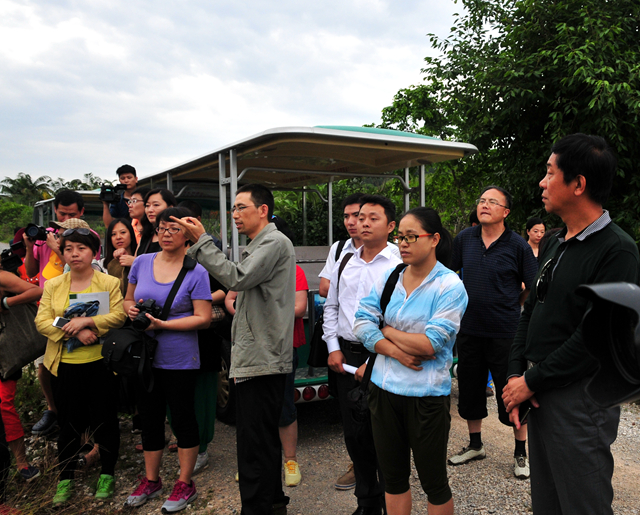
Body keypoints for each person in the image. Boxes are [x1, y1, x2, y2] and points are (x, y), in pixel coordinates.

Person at [502, 134, 640, 515]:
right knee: (547, 503)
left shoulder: (617, 249)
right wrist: (516, 374)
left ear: (578, 184)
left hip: (579, 400)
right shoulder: (554, 242)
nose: (542, 182)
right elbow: (531, 310)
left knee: (582, 504)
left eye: (550, 173)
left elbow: (593, 339)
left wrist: (531, 380)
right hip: (539, 390)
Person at [172, 184, 296, 515]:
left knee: (254, 444)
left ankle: (257, 508)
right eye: (234, 208)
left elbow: (237, 278)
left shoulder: (273, 242)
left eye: (241, 207)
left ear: (263, 210)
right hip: (260, 355)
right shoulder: (260, 244)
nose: (235, 214)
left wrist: (202, 241)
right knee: (261, 439)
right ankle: (273, 503)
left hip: (263, 358)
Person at [354, 207, 468, 515]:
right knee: (392, 479)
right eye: (400, 237)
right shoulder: (391, 277)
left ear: (434, 239)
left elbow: (431, 344)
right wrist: (395, 351)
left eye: (411, 237)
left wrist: (386, 330)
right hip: (383, 390)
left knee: (434, 482)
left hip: (426, 396)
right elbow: (362, 322)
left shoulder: (449, 285)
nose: (403, 243)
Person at [123, 207, 212, 513]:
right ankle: (152, 480)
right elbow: (127, 299)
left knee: (183, 418)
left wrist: (163, 325)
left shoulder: (196, 271)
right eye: (162, 228)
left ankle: (185, 483)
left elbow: (203, 318)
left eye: (174, 229)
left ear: (188, 234)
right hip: (144, 356)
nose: (166, 234)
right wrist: (130, 309)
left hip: (179, 357)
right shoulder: (142, 262)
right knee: (149, 419)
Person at [447, 185, 537, 479]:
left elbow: (532, 286)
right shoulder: (465, 239)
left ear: (505, 212)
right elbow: (447, 274)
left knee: (511, 391)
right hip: (469, 329)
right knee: (470, 388)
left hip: (505, 332)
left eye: (492, 202)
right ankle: (475, 445)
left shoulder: (518, 246)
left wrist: (514, 304)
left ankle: (520, 452)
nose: (484, 205)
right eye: (482, 200)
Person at [34, 225, 127, 506]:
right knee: (68, 423)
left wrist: (89, 321)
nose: (75, 254)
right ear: (62, 253)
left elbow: (119, 316)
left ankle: (107, 473)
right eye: (69, 249)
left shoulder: (108, 282)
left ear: (94, 253)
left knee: (105, 419)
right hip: (65, 364)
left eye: (81, 248)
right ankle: (65, 479)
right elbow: (42, 321)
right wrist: (75, 331)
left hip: (100, 363)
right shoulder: (53, 285)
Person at [323, 194, 402, 515]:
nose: (362, 223)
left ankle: (391, 503)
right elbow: (331, 306)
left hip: (382, 357)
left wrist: (373, 361)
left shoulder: (398, 264)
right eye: (360, 217)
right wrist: (333, 347)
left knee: (384, 435)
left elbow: (399, 320)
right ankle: (367, 503)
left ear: (391, 225)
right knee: (354, 434)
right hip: (345, 356)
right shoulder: (346, 260)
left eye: (372, 218)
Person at [23, 190, 88, 437]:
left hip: (77, 310)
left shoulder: (85, 237)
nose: (66, 219)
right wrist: (30, 248)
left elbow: (82, 267)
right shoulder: (46, 238)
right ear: (55, 212)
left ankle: (79, 419)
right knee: (45, 365)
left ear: (81, 213)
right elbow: (31, 271)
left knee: (73, 366)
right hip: (47, 309)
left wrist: (58, 247)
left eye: (72, 214)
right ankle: (53, 410)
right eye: (62, 214)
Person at [0, 264, 43, 482]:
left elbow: (36, 290)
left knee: (4, 405)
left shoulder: (1, 277)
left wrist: (6, 302)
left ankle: (22, 463)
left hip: (4, 356)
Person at [101, 218, 137, 296]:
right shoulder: (103, 265)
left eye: (123, 232)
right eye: (113, 234)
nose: (118, 237)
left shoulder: (141, 258)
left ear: (131, 235)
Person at [136, 189, 178, 256]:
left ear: (170, 207)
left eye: (156, 205)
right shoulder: (146, 235)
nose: (150, 210)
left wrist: (134, 260)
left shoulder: (177, 234)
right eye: (147, 205)